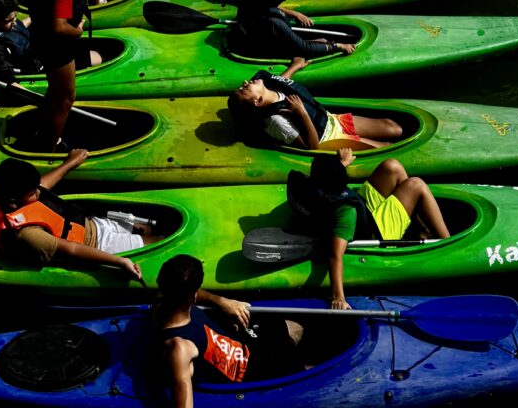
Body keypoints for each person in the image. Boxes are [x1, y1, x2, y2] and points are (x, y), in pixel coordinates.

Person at [153, 254, 307, 406]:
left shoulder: (162, 298)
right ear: (193, 297)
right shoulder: (179, 348)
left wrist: (221, 302)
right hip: (253, 373)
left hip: (242, 338)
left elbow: (182, 285)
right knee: (307, 374)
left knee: (294, 328)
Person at [308, 149, 451, 310]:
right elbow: (335, 255)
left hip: (364, 208)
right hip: (376, 231)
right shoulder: (346, 213)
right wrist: (339, 297)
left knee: (392, 167)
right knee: (416, 184)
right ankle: (448, 243)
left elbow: (328, 179)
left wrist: (343, 163)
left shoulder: (316, 187)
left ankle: (419, 226)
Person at [0, 154, 166, 278]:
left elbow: (42, 186)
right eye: (33, 193)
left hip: (93, 224)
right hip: (98, 246)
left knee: (149, 229)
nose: (39, 193)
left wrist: (70, 163)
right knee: (160, 241)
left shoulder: (3, 191)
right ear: (12, 202)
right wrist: (121, 262)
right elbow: (73, 249)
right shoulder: (26, 234)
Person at [26, 0, 103, 145]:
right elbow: (59, 27)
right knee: (66, 97)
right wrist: (77, 31)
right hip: (55, 43)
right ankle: (48, 145)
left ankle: (46, 128)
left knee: (56, 91)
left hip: (40, 33)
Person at [228, 67, 402, 150]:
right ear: (258, 101)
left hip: (332, 120)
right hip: (329, 139)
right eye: (244, 90)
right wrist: (302, 112)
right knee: (386, 147)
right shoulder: (276, 121)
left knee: (393, 128)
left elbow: (284, 82)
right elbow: (311, 147)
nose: (245, 83)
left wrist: (295, 66)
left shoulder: (269, 90)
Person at [232, 0, 356, 59]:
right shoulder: (275, 23)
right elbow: (304, 48)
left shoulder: (250, 1)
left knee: (321, 40)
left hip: (255, 39)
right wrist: (338, 46)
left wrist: (295, 14)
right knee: (323, 41)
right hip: (267, 50)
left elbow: (267, 6)